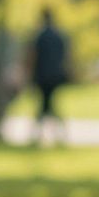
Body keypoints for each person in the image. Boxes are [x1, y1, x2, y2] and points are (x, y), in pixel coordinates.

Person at [30, 10, 70, 146]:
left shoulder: (40, 36)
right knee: (48, 104)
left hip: (43, 75)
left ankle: (39, 133)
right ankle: (58, 133)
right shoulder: (59, 36)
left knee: (46, 104)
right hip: (56, 75)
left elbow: (33, 55)